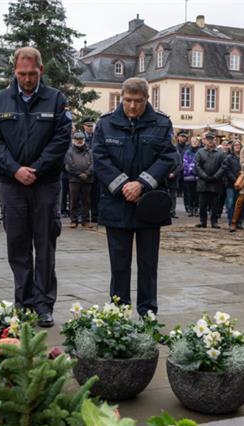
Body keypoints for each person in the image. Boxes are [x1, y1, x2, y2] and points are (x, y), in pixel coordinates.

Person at [0, 46, 71, 328]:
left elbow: (61, 140)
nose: (27, 79)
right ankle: (23, 304)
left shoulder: (56, 100)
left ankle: (44, 305)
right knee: (17, 246)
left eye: (32, 73)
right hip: (12, 185)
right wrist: (15, 169)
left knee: (45, 245)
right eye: (22, 74)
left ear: (41, 70)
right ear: (14, 72)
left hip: (45, 184)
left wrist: (36, 168)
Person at [93, 77, 176, 316]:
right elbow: (100, 159)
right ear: (121, 97)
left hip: (149, 204)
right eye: (128, 100)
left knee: (148, 264)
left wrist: (141, 184)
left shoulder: (161, 123)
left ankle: (148, 310)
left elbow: (168, 157)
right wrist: (123, 186)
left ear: (147, 99)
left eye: (137, 101)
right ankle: (119, 311)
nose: (132, 106)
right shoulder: (106, 124)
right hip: (116, 203)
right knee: (119, 264)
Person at [195, 132, 226, 228]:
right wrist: (204, 176)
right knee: (202, 204)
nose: (210, 141)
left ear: (215, 140)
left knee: (214, 205)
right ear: (205, 141)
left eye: (212, 139)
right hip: (203, 182)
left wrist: (216, 176)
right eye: (208, 139)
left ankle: (214, 222)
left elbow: (223, 166)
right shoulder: (200, 152)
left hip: (215, 182)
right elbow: (197, 166)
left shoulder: (220, 153)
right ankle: (203, 221)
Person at [64, 131, 94, 228]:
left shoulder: (90, 151)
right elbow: (68, 166)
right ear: (73, 140)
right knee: (74, 201)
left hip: (87, 179)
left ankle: (85, 221)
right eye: (77, 139)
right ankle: (74, 221)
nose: (79, 141)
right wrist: (79, 174)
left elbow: (94, 164)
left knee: (87, 201)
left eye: (81, 139)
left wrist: (87, 173)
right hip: (74, 180)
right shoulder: (69, 152)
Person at [169, 130, 189, 218]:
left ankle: (173, 211)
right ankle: (166, 211)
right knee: (167, 194)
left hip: (178, 174)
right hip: (168, 175)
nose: (183, 138)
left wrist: (174, 173)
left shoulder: (185, 149)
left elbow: (180, 165)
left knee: (174, 195)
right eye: (181, 136)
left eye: (185, 136)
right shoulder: (170, 150)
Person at [222, 141, 242, 228]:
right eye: (235, 145)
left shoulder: (243, 157)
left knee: (240, 204)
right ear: (232, 147)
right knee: (230, 204)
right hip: (231, 184)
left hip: (241, 184)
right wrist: (235, 180)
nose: (237, 147)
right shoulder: (229, 157)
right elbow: (227, 170)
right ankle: (231, 221)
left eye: (239, 145)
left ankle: (239, 222)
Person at [182, 136, 200, 216]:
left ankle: (196, 208)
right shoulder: (187, 152)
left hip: (198, 176)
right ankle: (190, 209)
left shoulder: (200, 151)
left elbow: (199, 163)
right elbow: (185, 162)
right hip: (188, 176)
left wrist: (194, 169)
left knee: (196, 194)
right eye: (193, 141)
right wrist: (191, 168)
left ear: (198, 142)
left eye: (195, 141)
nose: (194, 142)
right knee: (189, 194)